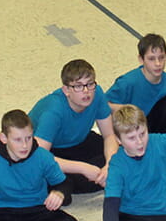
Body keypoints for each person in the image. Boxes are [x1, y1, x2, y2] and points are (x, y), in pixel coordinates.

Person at [28, 59, 117, 195]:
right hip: (51, 149)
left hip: (78, 141)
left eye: (90, 84)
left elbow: (109, 135)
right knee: (58, 178)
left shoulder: (97, 93)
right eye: (78, 86)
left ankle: (99, 176)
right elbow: (40, 156)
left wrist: (110, 164)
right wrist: (83, 168)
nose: (86, 91)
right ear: (66, 90)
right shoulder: (53, 111)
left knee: (125, 153)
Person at [108, 34, 166, 135]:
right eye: (151, 59)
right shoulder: (127, 82)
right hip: (130, 132)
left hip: (152, 131)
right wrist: (125, 110)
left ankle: (157, 144)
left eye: (161, 58)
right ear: (141, 59)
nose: (158, 63)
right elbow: (103, 105)